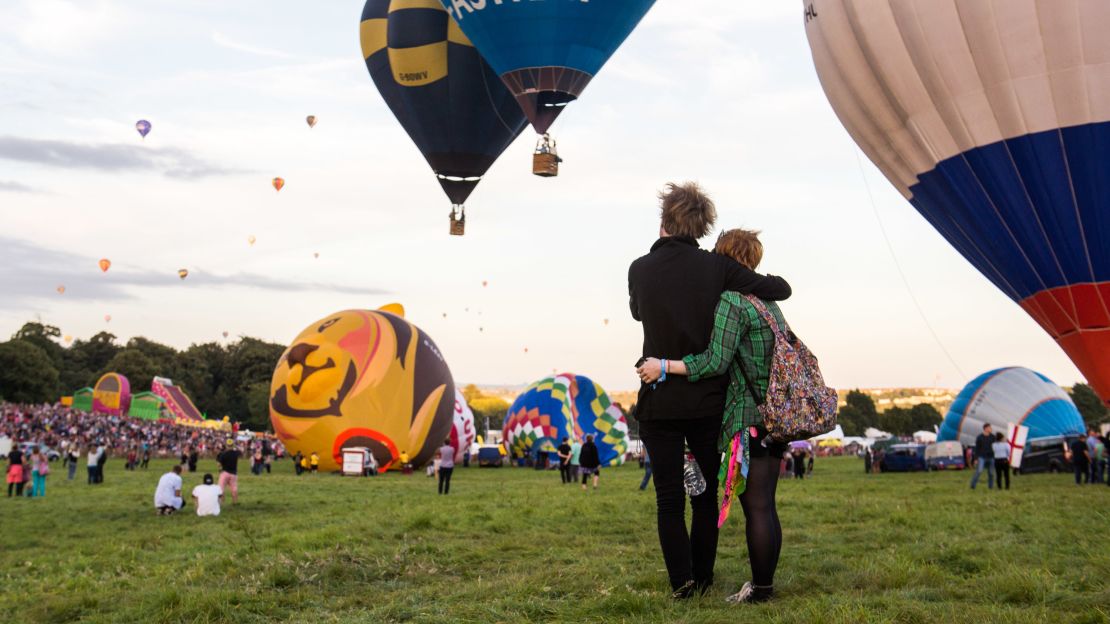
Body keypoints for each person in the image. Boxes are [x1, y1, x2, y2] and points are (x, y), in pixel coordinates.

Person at [628, 183, 791, 600]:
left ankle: (681, 584)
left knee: (668, 500)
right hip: (706, 402)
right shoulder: (716, 269)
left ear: (664, 220)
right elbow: (779, 288)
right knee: (703, 498)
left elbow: (636, 312)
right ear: (702, 227)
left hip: (659, 397)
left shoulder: (639, 268)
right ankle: (702, 577)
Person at [969, 424, 995, 490]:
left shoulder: (993, 437)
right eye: (989, 428)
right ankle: (973, 485)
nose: (991, 429)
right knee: (979, 471)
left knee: (991, 472)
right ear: (985, 428)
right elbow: (977, 448)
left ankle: (990, 486)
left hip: (991, 456)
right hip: (982, 457)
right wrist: (975, 458)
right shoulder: (980, 437)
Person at [216, 439, 241, 504]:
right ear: (232, 445)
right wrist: (235, 446)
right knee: (234, 489)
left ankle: (222, 502)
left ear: (226, 445)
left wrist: (220, 470)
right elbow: (241, 452)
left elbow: (219, 464)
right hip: (233, 474)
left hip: (225, 473)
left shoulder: (223, 454)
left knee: (221, 488)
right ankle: (235, 502)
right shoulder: (236, 453)